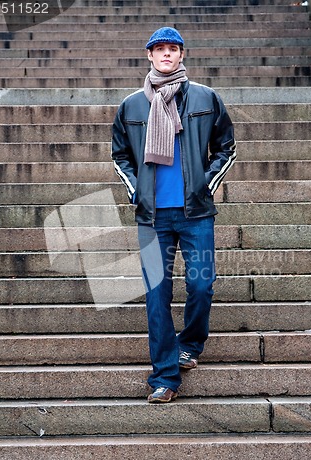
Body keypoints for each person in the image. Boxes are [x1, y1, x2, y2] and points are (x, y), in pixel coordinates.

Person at [112, 27, 236, 403]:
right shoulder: (132, 106)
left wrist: (205, 185)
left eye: (173, 49)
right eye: (160, 49)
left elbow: (226, 147)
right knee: (156, 294)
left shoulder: (204, 97)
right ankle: (165, 377)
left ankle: (191, 344)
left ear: (182, 54)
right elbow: (120, 156)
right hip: (152, 219)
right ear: (149, 55)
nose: (166, 54)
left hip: (195, 212)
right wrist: (136, 192)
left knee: (201, 285)